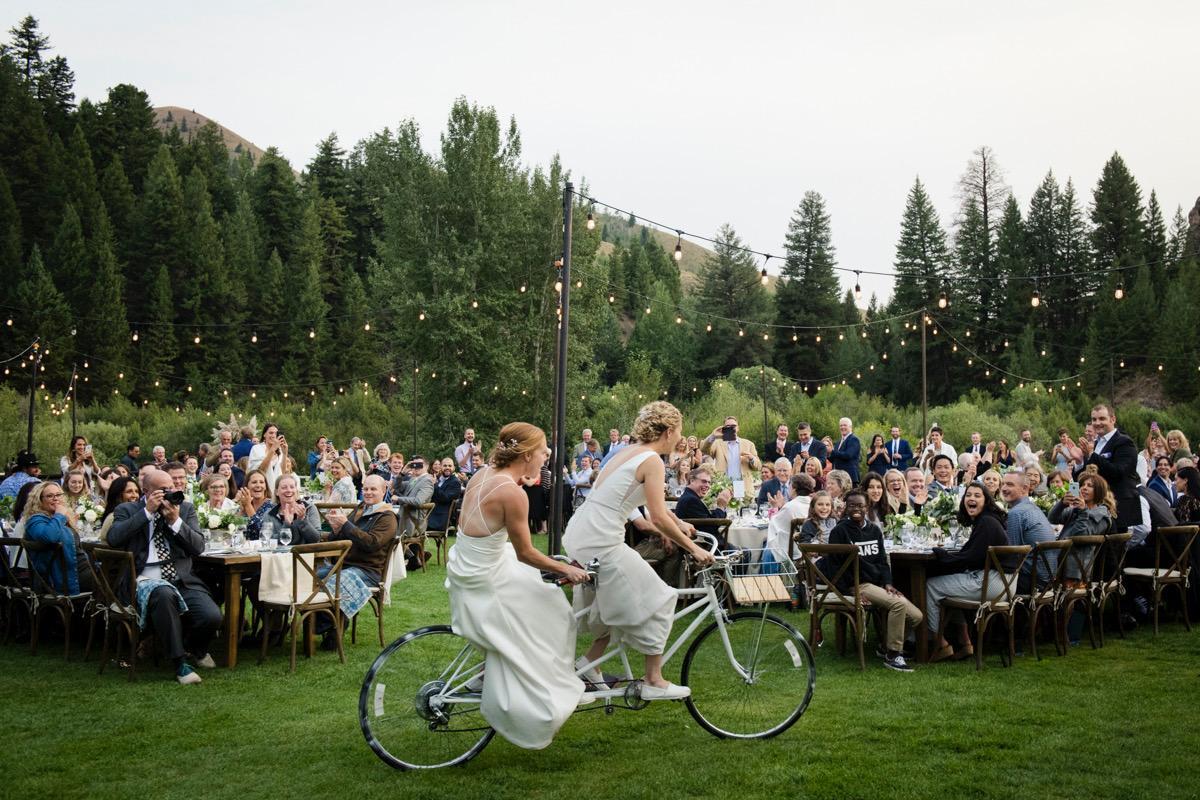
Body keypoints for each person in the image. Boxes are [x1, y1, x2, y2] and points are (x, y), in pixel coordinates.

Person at [445, 422, 590, 749]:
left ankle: (499, 668)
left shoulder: (483, 474)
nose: (546, 456)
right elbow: (526, 553)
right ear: (525, 455)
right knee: (557, 612)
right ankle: (547, 690)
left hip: (470, 567)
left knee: (541, 598)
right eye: (542, 452)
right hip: (487, 580)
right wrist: (566, 568)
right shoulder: (513, 494)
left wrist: (518, 480)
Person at [566, 402, 715, 701]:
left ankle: (589, 665)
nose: (680, 437)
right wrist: (693, 549)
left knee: (614, 601)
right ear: (669, 431)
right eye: (680, 431)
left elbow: (640, 500)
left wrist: (678, 522)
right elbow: (656, 517)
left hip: (582, 531)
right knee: (661, 598)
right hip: (601, 538)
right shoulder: (653, 461)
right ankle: (653, 680)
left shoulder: (628, 452)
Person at [107, 469, 222, 684]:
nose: (169, 493)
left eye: (171, 488)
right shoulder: (128, 509)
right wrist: (147, 513)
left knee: (211, 616)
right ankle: (180, 664)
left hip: (180, 578)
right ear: (146, 491)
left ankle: (193, 648)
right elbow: (114, 538)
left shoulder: (184, 508)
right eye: (162, 490)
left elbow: (198, 546)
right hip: (143, 579)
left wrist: (175, 521)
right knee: (163, 594)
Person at [825, 490, 922, 672]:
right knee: (899, 605)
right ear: (846, 507)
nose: (856, 509)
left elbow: (882, 561)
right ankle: (893, 655)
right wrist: (850, 590)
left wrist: (888, 583)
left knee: (916, 616)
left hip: (876, 584)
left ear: (867, 507)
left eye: (860, 505)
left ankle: (885, 646)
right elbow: (835, 567)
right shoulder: (840, 531)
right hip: (857, 584)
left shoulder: (874, 530)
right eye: (852, 505)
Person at [925, 482, 1013, 661]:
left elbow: (970, 557)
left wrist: (942, 555)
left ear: (986, 501)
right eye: (968, 495)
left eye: (977, 495)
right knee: (950, 583)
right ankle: (965, 642)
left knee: (931, 585)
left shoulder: (986, 522)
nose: (971, 498)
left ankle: (939, 643)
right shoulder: (988, 520)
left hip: (993, 585)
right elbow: (972, 555)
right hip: (1004, 584)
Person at [324, 475, 399, 647]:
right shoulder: (360, 509)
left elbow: (371, 544)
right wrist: (336, 530)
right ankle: (320, 624)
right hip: (345, 565)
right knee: (312, 578)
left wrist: (346, 525)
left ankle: (333, 626)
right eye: (365, 489)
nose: (368, 492)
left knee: (336, 581)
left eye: (373, 489)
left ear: (384, 491)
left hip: (368, 570)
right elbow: (341, 538)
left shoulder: (387, 517)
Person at [1072, 404, 1140, 533]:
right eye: (1094, 419)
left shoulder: (1124, 442)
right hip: (1096, 510)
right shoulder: (1095, 444)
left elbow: (1119, 472)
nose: (1097, 423)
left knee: (1114, 544)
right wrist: (1079, 462)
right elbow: (1083, 479)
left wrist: (1092, 455)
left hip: (1117, 507)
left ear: (1113, 419)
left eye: (1102, 418)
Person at [22, 481, 94, 594]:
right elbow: (49, 537)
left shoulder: (58, 518)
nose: (55, 499)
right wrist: (59, 515)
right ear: (39, 500)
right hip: (67, 578)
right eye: (50, 496)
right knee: (116, 577)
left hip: (79, 570)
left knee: (117, 571)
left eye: (58, 495)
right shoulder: (36, 520)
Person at [1000, 470, 1056, 591]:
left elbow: (1012, 553)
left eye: (1009, 484)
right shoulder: (1033, 508)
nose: (1003, 488)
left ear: (1025, 488)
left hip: (1032, 581)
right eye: (1002, 484)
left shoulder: (1016, 512)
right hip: (1047, 579)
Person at [700, 416, 761, 500]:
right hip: (723, 484)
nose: (731, 428)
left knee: (744, 508)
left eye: (733, 426)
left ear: (738, 428)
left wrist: (751, 458)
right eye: (728, 426)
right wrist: (713, 436)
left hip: (743, 484)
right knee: (723, 507)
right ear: (724, 428)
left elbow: (758, 466)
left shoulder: (748, 444)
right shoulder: (718, 443)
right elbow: (704, 449)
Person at [674, 465, 733, 550]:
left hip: (705, 544)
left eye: (709, 482)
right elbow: (711, 527)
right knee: (746, 552)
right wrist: (721, 506)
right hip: (707, 547)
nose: (707, 485)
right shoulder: (691, 500)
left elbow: (707, 520)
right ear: (692, 480)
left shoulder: (691, 496)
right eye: (704, 481)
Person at [258, 474, 322, 546]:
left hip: (306, 552)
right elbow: (268, 541)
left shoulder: (309, 508)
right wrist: (287, 524)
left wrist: (302, 521)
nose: (289, 490)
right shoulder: (269, 515)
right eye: (284, 487)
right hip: (280, 553)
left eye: (292, 487)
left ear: (296, 490)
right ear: (276, 492)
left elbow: (316, 539)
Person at [247, 423, 291, 492]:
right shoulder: (257, 448)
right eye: (271, 433)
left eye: (276, 433)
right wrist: (272, 449)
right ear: (264, 434)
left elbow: (282, 472)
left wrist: (285, 454)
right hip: (261, 489)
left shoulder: (279, 451)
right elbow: (260, 471)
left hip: (276, 490)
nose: (273, 435)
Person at [98, 476, 141, 543]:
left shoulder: (139, 515)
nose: (134, 495)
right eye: (129, 491)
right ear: (118, 495)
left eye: (137, 491)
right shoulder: (113, 517)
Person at [428, 457, 464, 532]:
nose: (447, 468)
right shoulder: (438, 479)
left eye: (450, 466)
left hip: (439, 519)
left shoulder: (455, 482)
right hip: (429, 512)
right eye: (445, 466)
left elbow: (445, 498)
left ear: (454, 468)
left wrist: (435, 485)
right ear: (441, 467)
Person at [236, 469, 273, 538]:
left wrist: (248, 506)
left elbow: (261, 532)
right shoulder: (243, 504)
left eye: (261, 482)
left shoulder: (272, 506)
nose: (258, 485)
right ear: (247, 486)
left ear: (265, 486)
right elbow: (233, 530)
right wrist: (242, 511)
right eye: (254, 482)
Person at [829, 417, 862, 484]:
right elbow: (834, 459)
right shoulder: (838, 442)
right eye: (841, 425)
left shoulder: (853, 439)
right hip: (838, 477)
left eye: (845, 425)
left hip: (849, 477)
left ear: (850, 427)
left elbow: (848, 455)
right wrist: (827, 453)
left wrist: (832, 451)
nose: (842, 427)